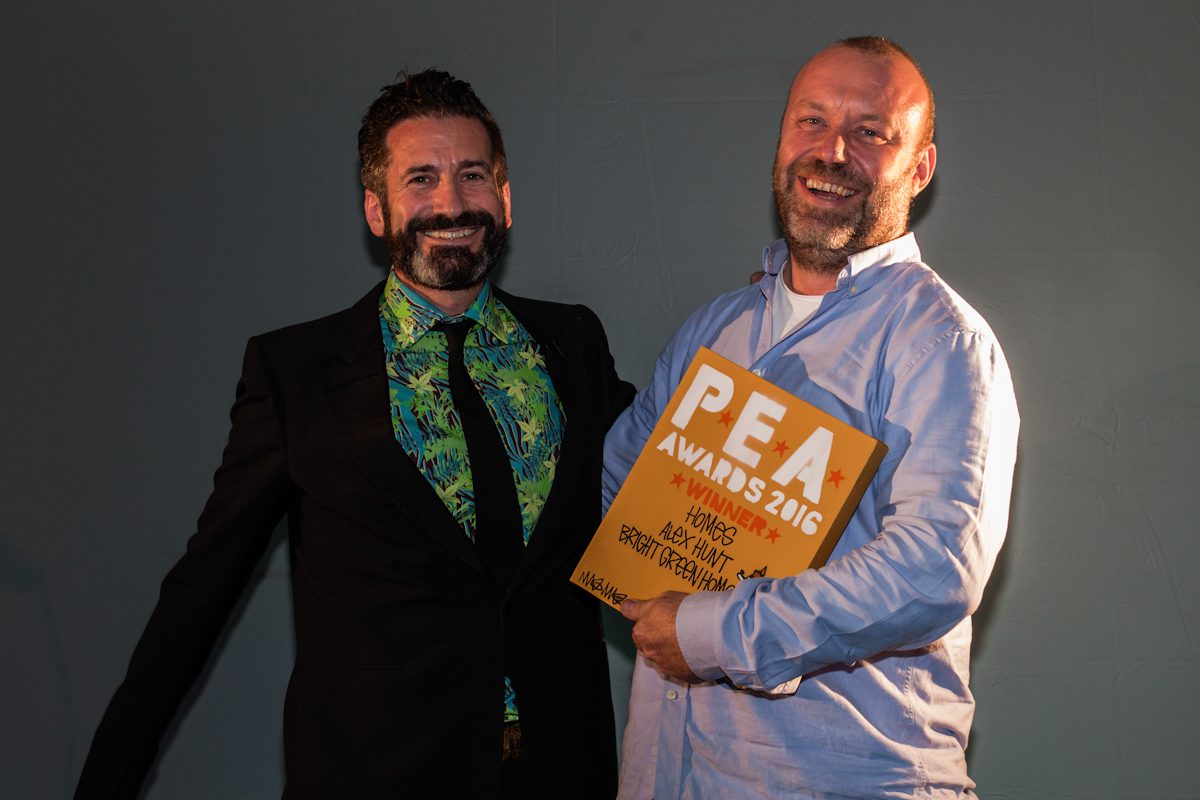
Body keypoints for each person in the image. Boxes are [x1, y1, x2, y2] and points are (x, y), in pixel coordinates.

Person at [76, 69, 631, 799]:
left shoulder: (572, 344)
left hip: (564, 773)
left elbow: (672, 476)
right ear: (377, 209)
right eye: (421, 179)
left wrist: (769, 331)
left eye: (472, 175)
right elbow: (200, 592)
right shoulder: (296, 374)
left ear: (504, 196)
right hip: (377, 777)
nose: (451, 203)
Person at [605, 37, 1020, 798]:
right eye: (812, 120)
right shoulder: (714, 331)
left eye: (871, 132)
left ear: (919, 167)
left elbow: (936, 565)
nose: (832, 151)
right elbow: (620, 497)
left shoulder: (940, 342)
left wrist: (710, 631)